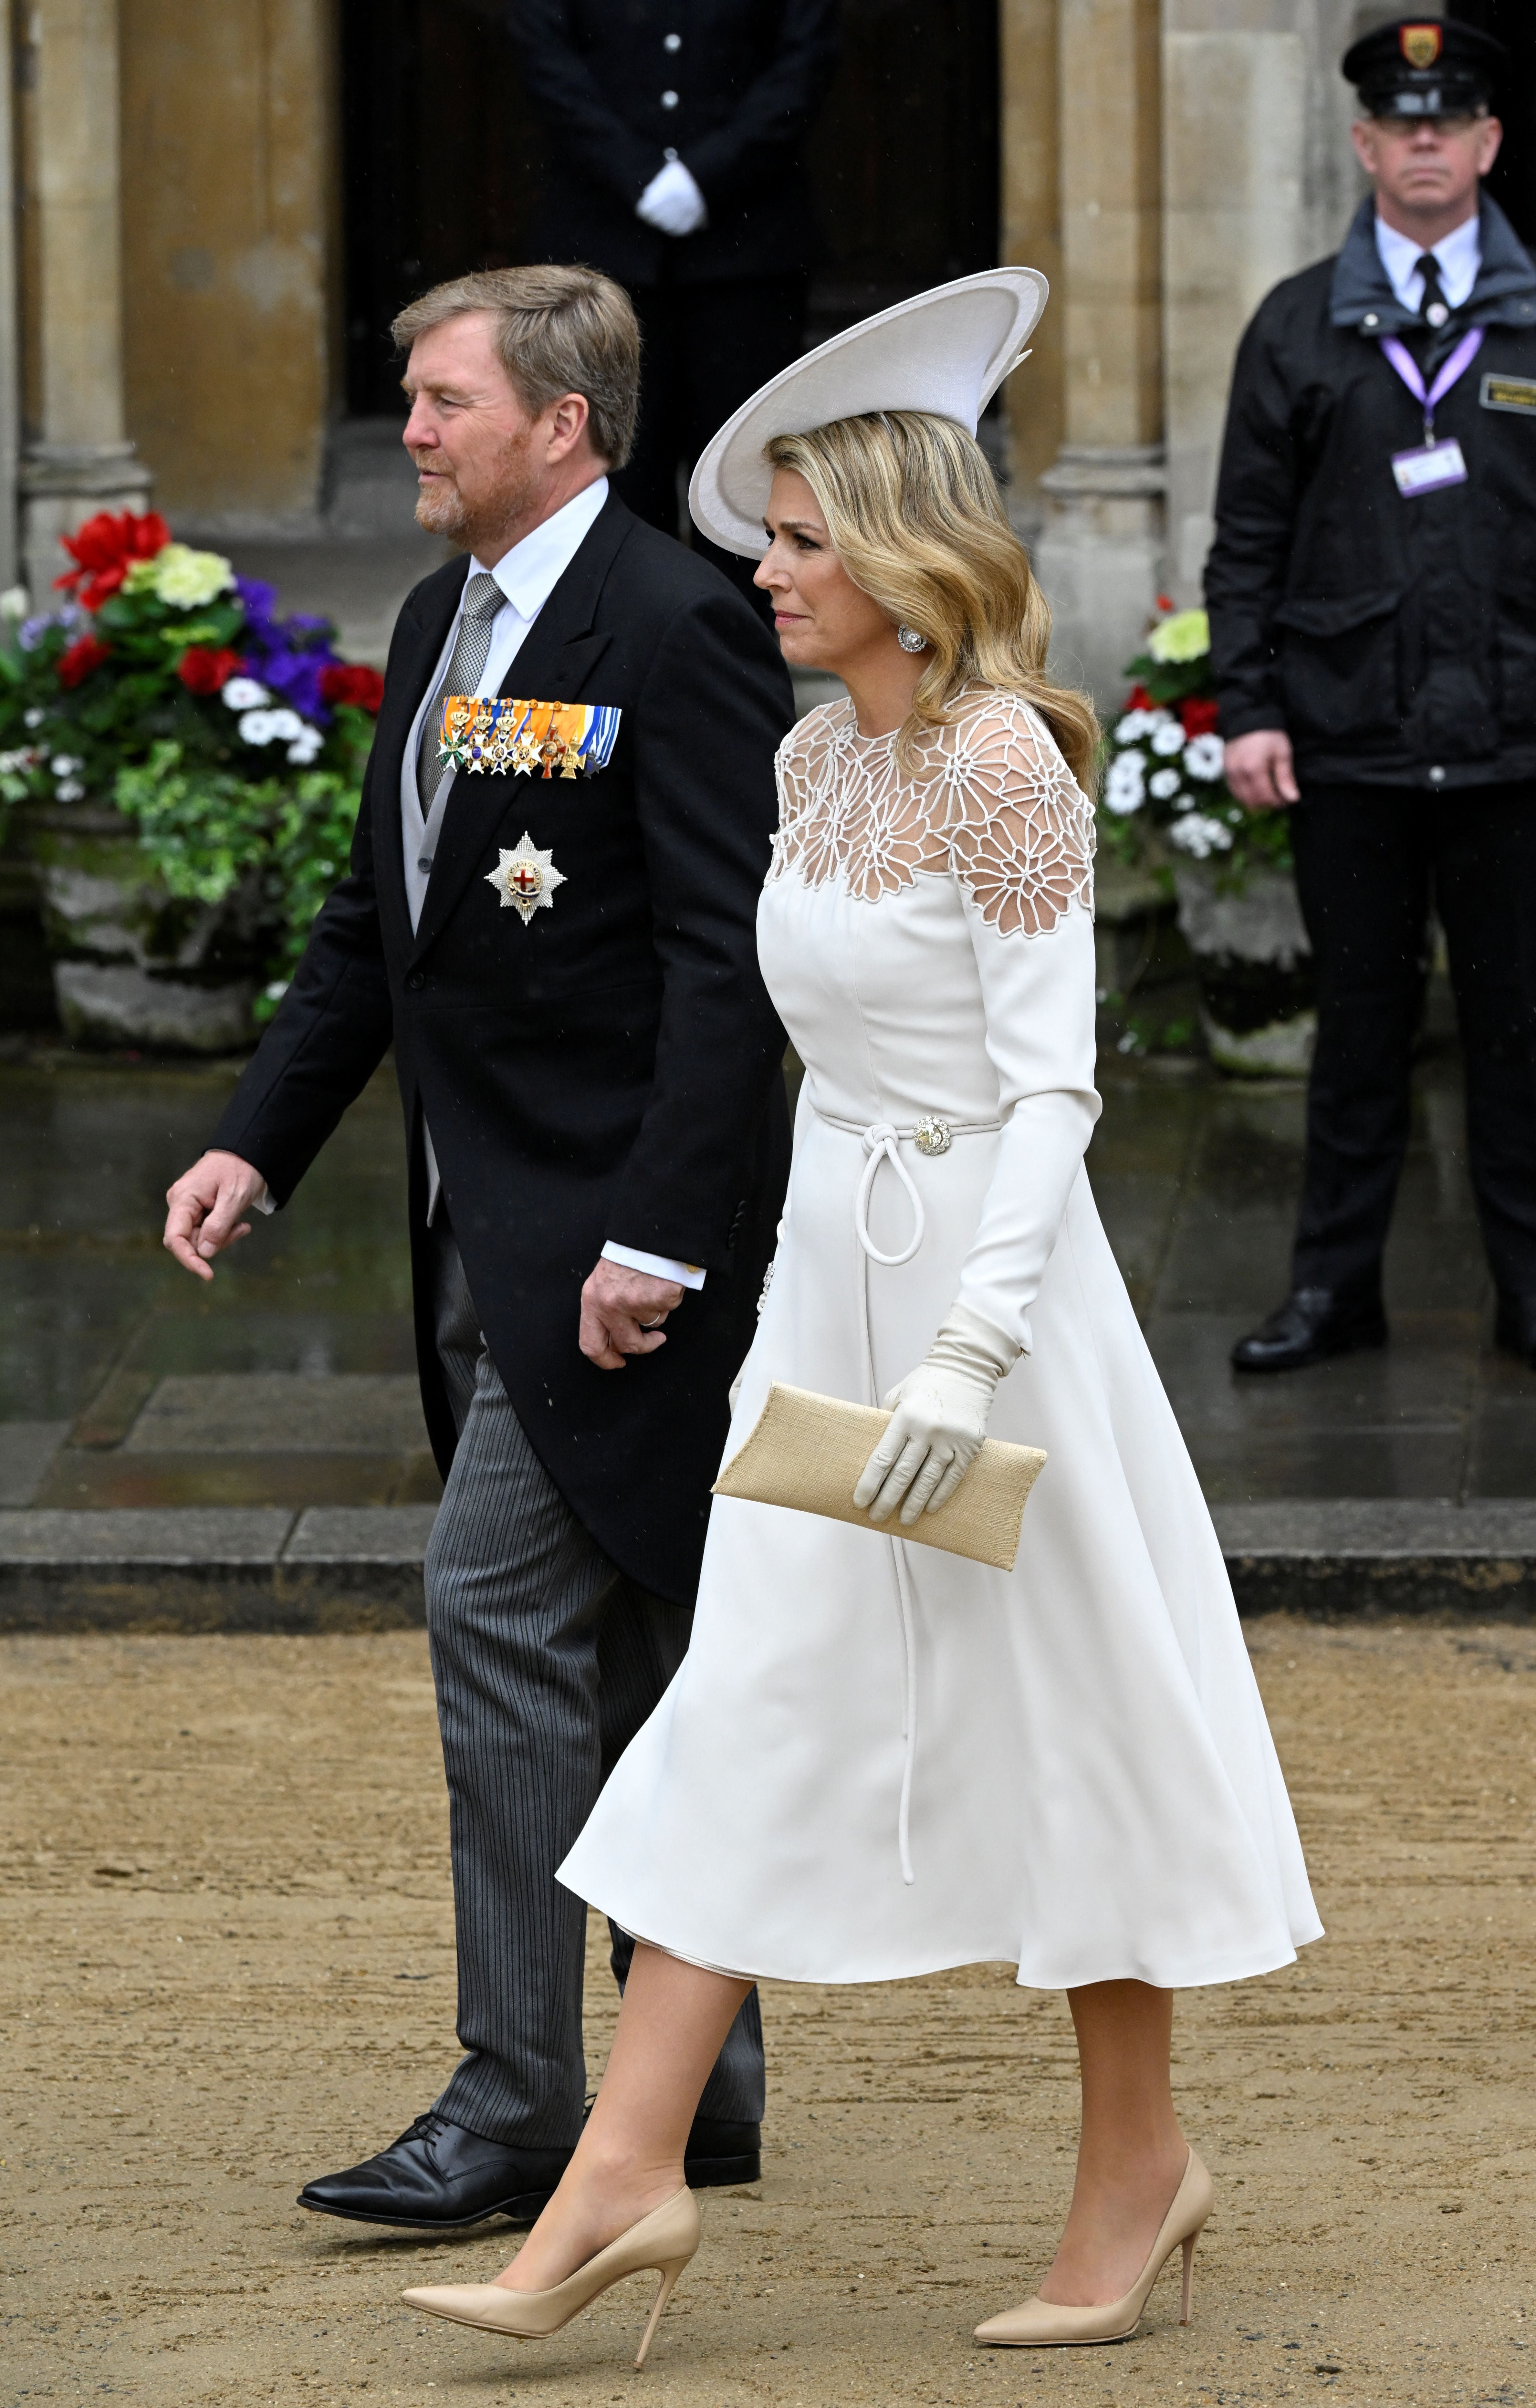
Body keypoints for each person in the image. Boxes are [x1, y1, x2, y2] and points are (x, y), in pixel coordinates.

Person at [400, 271, 1321, 2368]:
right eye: (771, 535)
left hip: (990, 1327)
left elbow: (1050, 1089)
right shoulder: (821, 758)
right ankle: (621, 2170)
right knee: (753, 1692)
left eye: (804, 538)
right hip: (829, 1304)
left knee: (1073, 1730)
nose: (767, 569)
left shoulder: (1002, 764)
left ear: (903, 545)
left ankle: (1132, 2163)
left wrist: (965, 1355)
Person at [160, 265, 793, 2231]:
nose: (412, 432)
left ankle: (519, 2099)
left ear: (561, 427)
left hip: (619, 1256)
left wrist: (668, 1240)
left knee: (500, 1616)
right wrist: (255, 1141)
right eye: (411, 401)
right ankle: (715, 2084)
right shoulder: (443, 616)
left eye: (442, 404)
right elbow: (384, 929)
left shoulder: (677, 630)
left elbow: (727, 970)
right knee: (622, 1633)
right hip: (483, 1228)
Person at [1207, 18, 1536, 1375]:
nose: (1421, 143)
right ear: (1362, 145)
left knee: (1520, 1041)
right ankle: (1334, 1293)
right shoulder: (1296, 323)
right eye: (1398, 125)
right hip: (1347, 743)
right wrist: (1249, 707)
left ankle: (1530, 1296)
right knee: (1355, 1034)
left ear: (1485, 144)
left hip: (1517, 746)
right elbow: (1246, 540)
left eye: (1444, 122)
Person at [507, 0, 840, 598]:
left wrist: (707, 175)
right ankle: (628, 660)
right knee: (611, 474)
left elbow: (805, 60)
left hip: (748, 246)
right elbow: (545, 58)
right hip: (601, 249)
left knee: (746, 473)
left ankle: (737, 669)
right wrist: (635, 172)